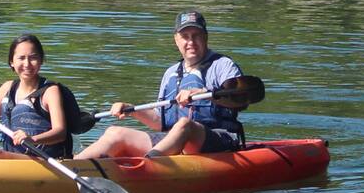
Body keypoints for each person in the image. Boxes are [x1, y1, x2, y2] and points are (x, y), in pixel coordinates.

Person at [81, 11, 244, 160]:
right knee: (114, 132)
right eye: (185, 36)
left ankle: (149, 163)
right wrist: (131, 110)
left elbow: (241, 98)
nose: (191, 42)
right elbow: (160, 122)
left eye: (196, 35)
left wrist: (204, 92)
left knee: (184, 125)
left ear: (205, 37)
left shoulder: (223, 65)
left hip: (219, 139)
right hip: (175, 139)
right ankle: (70, 166)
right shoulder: (171, 73)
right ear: (176, 40)